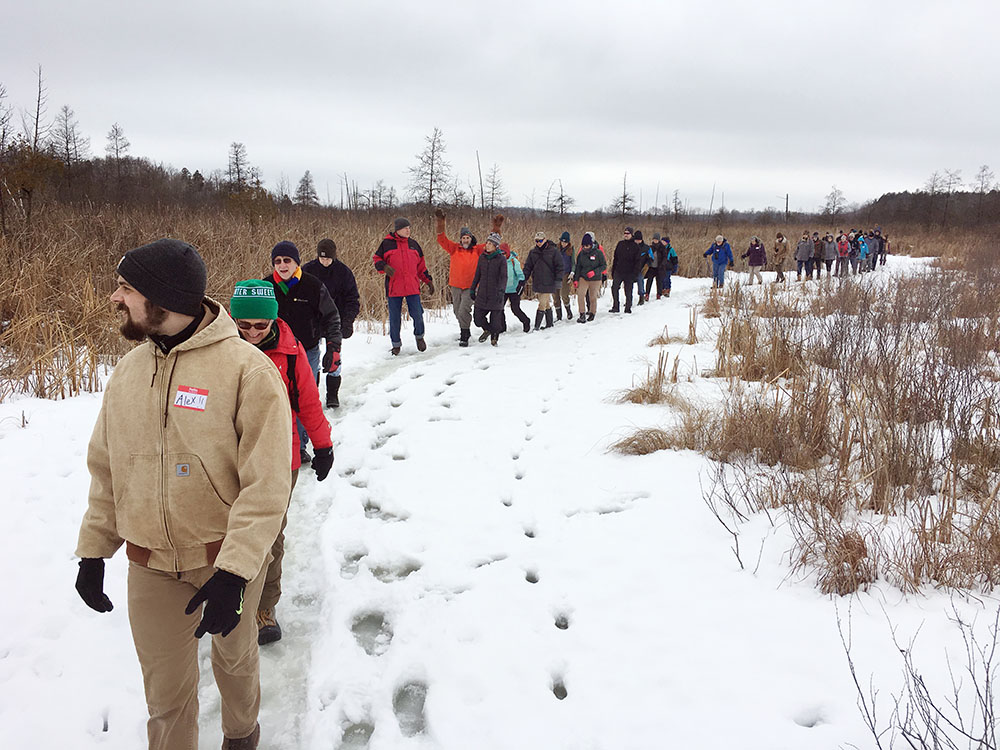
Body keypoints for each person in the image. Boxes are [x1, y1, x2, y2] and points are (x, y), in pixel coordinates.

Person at [75, 239, 292, 750]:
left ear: (162, 298)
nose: (114, 298)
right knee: (165, 695)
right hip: (149, 563)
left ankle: (241, 737)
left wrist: (236, 572)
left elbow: (266, 487)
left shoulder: (248, 371)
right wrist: (93, 550)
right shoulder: (127, 374)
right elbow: (106, 469)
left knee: (234, 660)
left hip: (225, 558)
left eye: (126, 288)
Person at [230, 280, 333, 647]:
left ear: (273, 320)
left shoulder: (291, 352)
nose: (253, 333)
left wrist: (322, 446)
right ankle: (225, 591)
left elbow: (308, 401)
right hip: (227, 456)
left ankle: (263, 606)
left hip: (279, 456)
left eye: (261, 325)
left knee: (269, 535)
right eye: (244, 325)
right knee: (224, 529)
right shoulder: (219, 351)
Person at [265, 241, 341, 464]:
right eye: (277, 261)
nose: (282, 265)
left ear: (296, 262)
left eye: (286, 260)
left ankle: (298, 448)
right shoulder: (266, 287)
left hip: (306, 352)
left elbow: (331, 317)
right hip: (272, 352)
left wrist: (333, 348)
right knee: (273, 399)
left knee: (302, 400)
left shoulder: (312, 285)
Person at [302, 239, 360, 408]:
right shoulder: (308, 270)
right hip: (312, 322)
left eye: (328, 258)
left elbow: (352, 299)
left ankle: (332, 395)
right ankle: (311, 395)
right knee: (312, 360)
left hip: (335, 320)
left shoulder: (344, 273)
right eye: (321, 258)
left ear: (334, 257)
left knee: (334, 358)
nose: (324, 261)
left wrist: (348, 321)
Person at [434, 209, 504, 346]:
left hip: (471, 287)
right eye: (464, 238)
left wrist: (497, 227)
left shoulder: (477, 250)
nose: (466, 240)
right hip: (455, 285)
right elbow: (441, 239)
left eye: (468, 238)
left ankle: (464, 335)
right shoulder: (454, 248)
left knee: (464, 310)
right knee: (456, 311)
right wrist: (441, 223)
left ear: (471, 239)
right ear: (460, 239)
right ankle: (467, 329)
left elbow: (493, 242)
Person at [374, 218, 434, 355]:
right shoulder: (387, 244)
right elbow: (377, 259)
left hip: (412, 287)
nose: (408, 230)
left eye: (409, 228)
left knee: (418, 314)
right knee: (395, 318)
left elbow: (421, 267)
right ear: (398, 230)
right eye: (405, 228)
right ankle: (396, 345)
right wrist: (384, 267)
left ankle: (419, 337)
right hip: (394, 288)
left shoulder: (414, 245)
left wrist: (428, 281)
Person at [470, 232, 509, 346]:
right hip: (482, 292)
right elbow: (477, 274)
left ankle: (494, 338)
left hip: (496, 293)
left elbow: (503, 276)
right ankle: (487, 329)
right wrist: (473, 288)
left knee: (495, 319)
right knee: (477, 318)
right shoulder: (482, 257)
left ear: (496, 246)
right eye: (487, 242)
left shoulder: (501, 259)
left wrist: (501, 290)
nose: (487, 245)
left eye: (490, 243)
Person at [521, 231, 564, 330]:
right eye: (536, 241)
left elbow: (560, 266)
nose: (538, 243)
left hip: (549, 281)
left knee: (542, 304)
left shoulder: (553, 251)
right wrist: (524, 278)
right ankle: (549, 323)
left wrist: (558, 279)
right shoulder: (533, 252)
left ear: (545, 239)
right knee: (545, 303)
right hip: (538, 280)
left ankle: (536, 326)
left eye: (540, 240)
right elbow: (528, 266)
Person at [574, 233, 606, 322]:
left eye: (587, 245)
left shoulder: (598, 253)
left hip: (595, 278)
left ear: (591, 245)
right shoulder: (581, 254)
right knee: (580, 294)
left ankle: (592, 312)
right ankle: (582, 314)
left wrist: (594, 272)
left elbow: (604, 265)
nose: (585, 247)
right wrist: (576, 279)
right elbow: (578, 267)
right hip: (584, 277)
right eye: (583, 245)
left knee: (592, 296)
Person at [610, 226, 643, 313]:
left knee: (628, 291)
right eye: (624, 233)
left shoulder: (635, 247)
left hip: (630, 272)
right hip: (619, 270)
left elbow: (638, 261)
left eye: (628, 233)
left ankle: (628, 307)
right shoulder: (620, 244)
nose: (626, 235)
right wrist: (613, 270)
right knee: (614, 288)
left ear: (632, 235)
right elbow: (615, 258)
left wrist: (635, 273)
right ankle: (615, 306)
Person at [501, 241, 530, 333]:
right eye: (500, 253)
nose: (502, 255)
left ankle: (526, 321)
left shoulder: (514, 261)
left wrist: (521, 284)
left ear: (507, 252)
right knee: (499, 309)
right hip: (503, 289)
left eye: (504, 253)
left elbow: (520, 274)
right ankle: (502, 327)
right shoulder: (499, 262)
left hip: (514, 289)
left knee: (515, 309)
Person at [555, 231, 575, 321]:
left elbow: (573, 262)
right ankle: (559, 315)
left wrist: (572, 272)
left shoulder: (571, 249)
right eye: (562, 242)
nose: (564, 244)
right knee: (555, 295)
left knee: (564, 294)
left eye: (565, 242)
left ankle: (568, 311)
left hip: (566, 274)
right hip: (555, 274)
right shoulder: (556, 248)